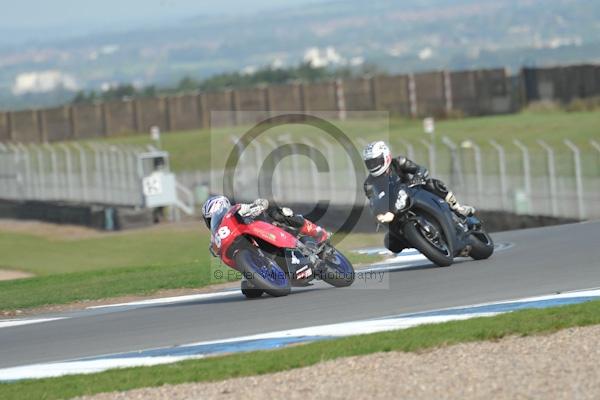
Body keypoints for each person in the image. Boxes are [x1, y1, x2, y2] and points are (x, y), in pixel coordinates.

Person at [362, 141, 475, 253]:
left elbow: (420, 169)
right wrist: (378, 214)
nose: (373, 165)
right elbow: (373, 202)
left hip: (414, 191)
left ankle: (458, 208)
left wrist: (417, 177)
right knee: (390, 242)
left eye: (375, 161)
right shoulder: (369, 184)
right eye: (370, 163)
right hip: (395, 207)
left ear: (386, 156)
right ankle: (420, 243)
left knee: (434, 184)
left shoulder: (399, 162)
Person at [202, 195, 328, 255]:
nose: (212, 221)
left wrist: (258, 206)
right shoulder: (216, 237)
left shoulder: (237, 209)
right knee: (250, 291)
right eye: (209, 220)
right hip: (253, 248)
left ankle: (316, 231)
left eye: (213, 217)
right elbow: (216, 252)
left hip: (266, 229)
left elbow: (260, 203)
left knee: (279, 214)